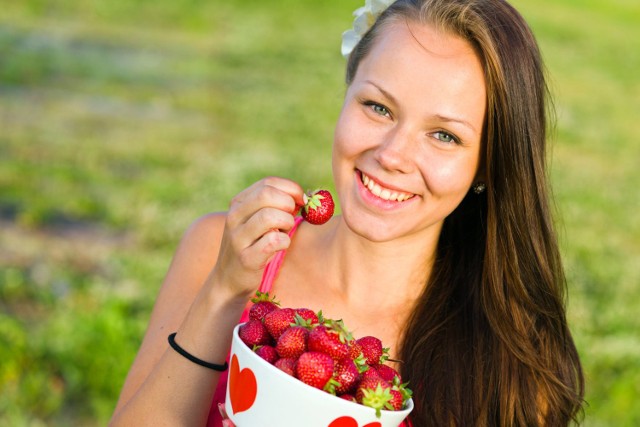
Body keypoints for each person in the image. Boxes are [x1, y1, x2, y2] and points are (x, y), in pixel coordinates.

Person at [110, 0, 585, 425]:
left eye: (444, 135)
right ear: (347, 91)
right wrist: (223, 294)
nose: (393, 154)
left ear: (488, 162)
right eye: (378, 107)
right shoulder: (222, 251)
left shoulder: (511, 360)